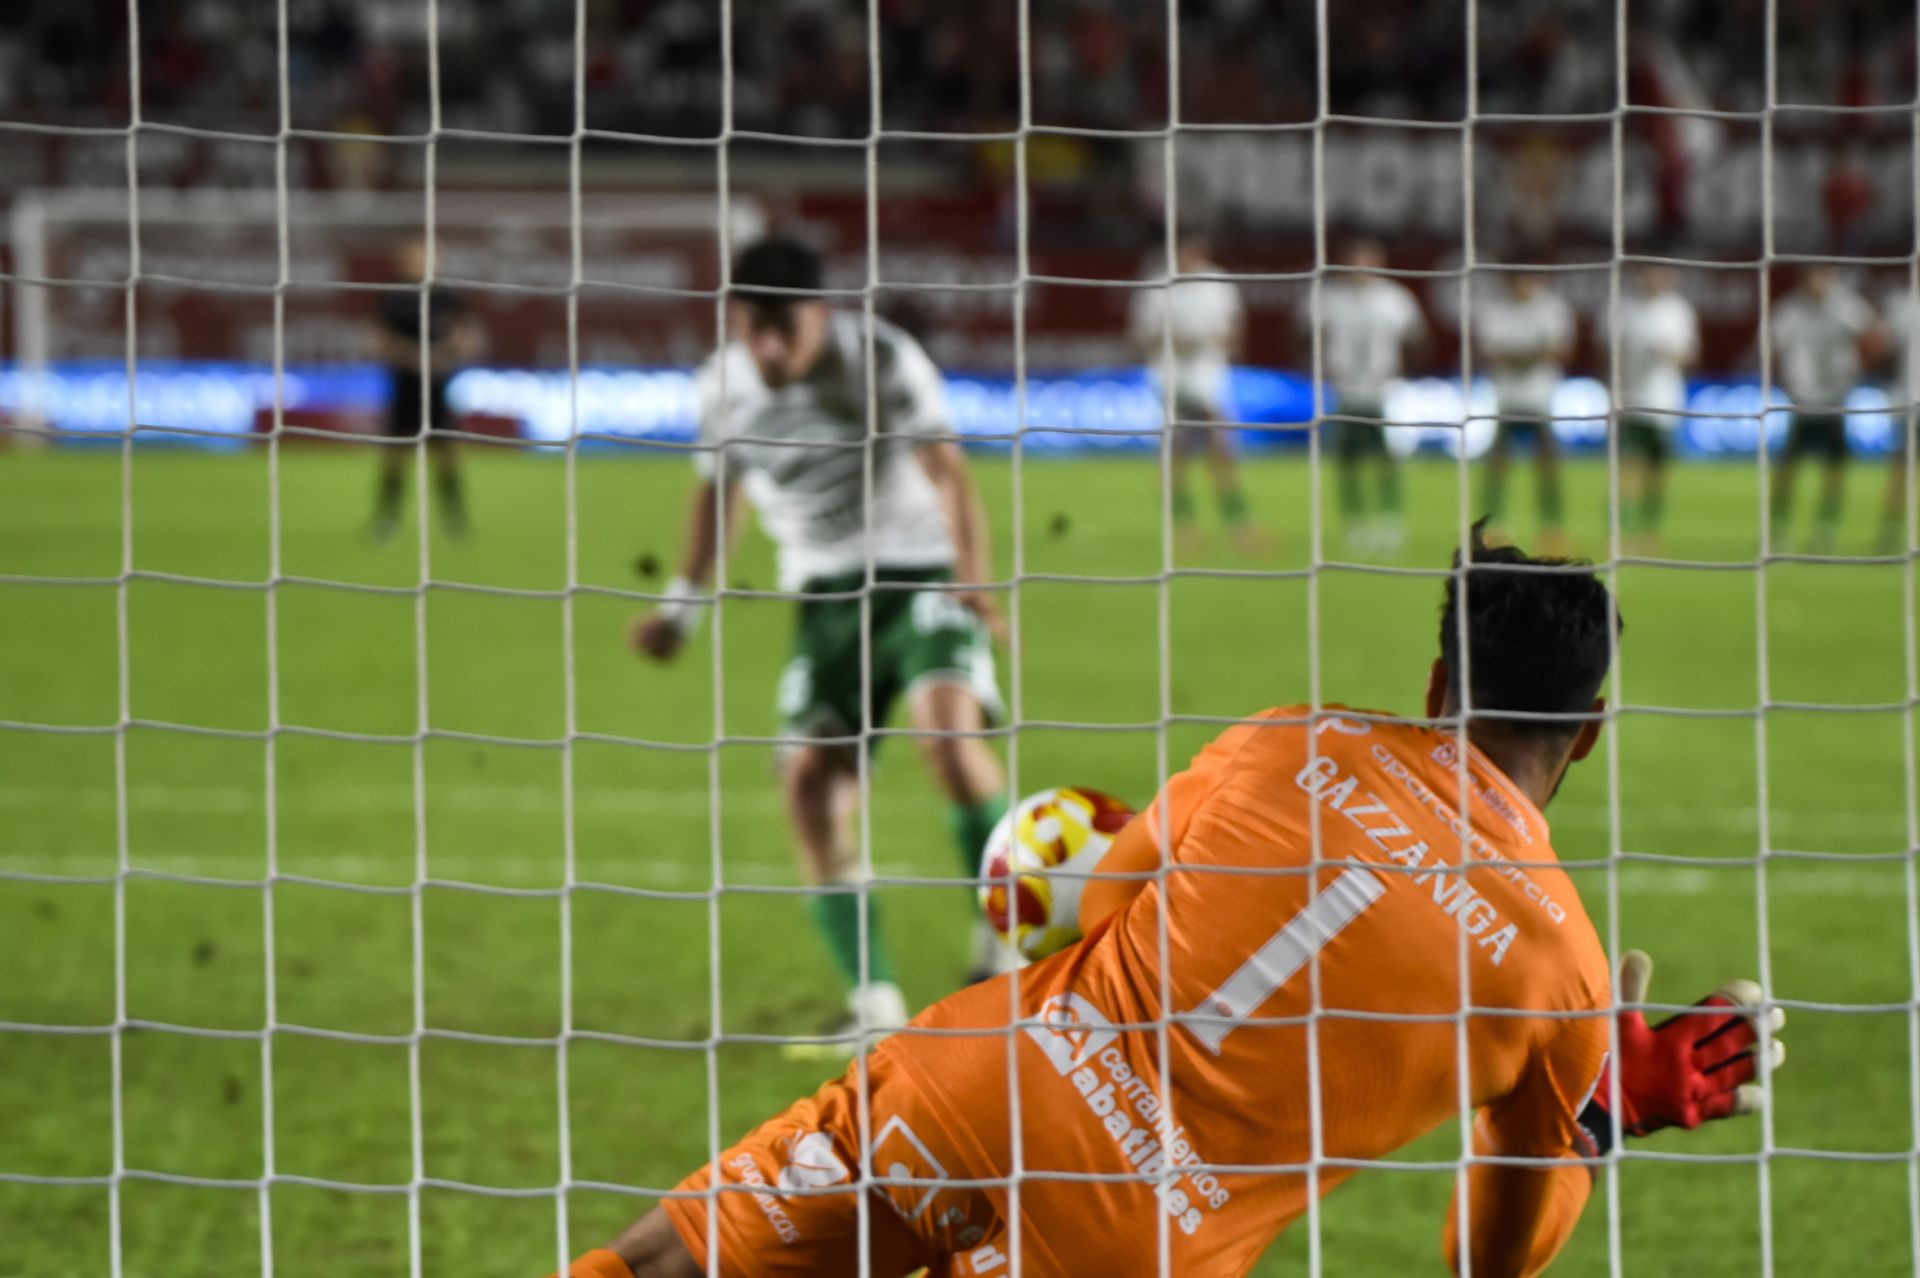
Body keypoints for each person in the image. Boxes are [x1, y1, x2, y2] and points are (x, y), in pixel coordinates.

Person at [563, 522, 1786, 1278]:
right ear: (1588, 735)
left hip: (975, 1083)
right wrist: (1595, 1115)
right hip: (1133, 1238)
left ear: (1434, 681)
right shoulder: (1559, 966)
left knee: (659, 1266)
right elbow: (1484, 1259)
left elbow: (1099, 905)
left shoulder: (1284, 740)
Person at [631, 236, 1011, 1044]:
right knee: (807, 782)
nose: (769, 348)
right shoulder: (722, 388)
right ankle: (874, 1006)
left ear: (820, 315)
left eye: (786, 329)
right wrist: (681, 609)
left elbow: (949, 471)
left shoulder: (879, 357)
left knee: (946, 732)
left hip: (919, 572)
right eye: (753, 328)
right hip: (823, 592)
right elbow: (717, 494)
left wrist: (974, 579)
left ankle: (1005, 942)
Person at [1129, 228, 1264, 553]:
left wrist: (1210, 341)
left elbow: (1236, 333)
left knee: (1220, 451)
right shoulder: (1157, 287)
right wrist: (1174, 342)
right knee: (1179, 456)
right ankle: (1187, 526)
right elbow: (1141, 338)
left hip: (1210, 379)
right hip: (1170, 379)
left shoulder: (1218, 284)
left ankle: (1237, 526)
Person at [370, 235, 482, 541]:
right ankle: (385, 520)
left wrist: (445, 353)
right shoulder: (392, 297)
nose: (423, 260)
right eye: (416, 254)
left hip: (438, 388)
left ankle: (455, 521)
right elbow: (379, 340)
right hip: (404, 387)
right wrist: (412, 357)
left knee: (447, 456)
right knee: (394, 458)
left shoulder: (447, 296)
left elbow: (470, 338)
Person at [1320, 237, 1426, 556]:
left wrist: (1404, 374)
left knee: (1386, 458)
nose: (1360, 269)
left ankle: (1390, 522)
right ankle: (1355, 523)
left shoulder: (1395, 299)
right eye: (1355, 262)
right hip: (1345, 392)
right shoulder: (1329, 299)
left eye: (1367, 261)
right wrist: (1321, 369)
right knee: (1348, 461)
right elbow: (1305, 336)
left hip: (1385, 393)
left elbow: (1418, 339)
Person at [1769, 264, 1881, 554]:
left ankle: (1825, 526)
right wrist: (1785, 380)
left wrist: (1858, 370)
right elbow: (1773, 347)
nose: (1818, 282)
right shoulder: (1790, 310)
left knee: (1835, 467)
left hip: (1835, 398)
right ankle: (1779, 526)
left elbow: (1874, 337)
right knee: (1788, 467)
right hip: (1803, 399)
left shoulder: (1847, 307)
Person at [1479, 270, 1577, 555]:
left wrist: (1518, 356)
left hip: (1540, 398)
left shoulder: (1552, 309)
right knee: (1497, 466)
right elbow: (1492, 352)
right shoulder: (1496, 310)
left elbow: (1561, 350)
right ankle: (1492, 528)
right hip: (1506, 399)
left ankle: (1552, 530)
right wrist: (1532, 354)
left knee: (1547, 467)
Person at [1612, 263, 1700, 552]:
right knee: (1627, 465)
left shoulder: (1678, 311)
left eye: (1659, 273)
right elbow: (1607, 351)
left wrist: (1667, 352)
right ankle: (1621, 529)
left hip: (1663, 401)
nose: (1653, 278)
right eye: (1648, 272)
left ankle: (1649, 529)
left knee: (1656, 470)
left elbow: (1690, 356)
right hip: (1630, 399)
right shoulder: (1624, 308)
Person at [1879, 283, 1918, 553]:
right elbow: (1886, 351)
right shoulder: (1903, 306)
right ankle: (1891, 529)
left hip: (1908, 397)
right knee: (1901, 466)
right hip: (1910, 400)